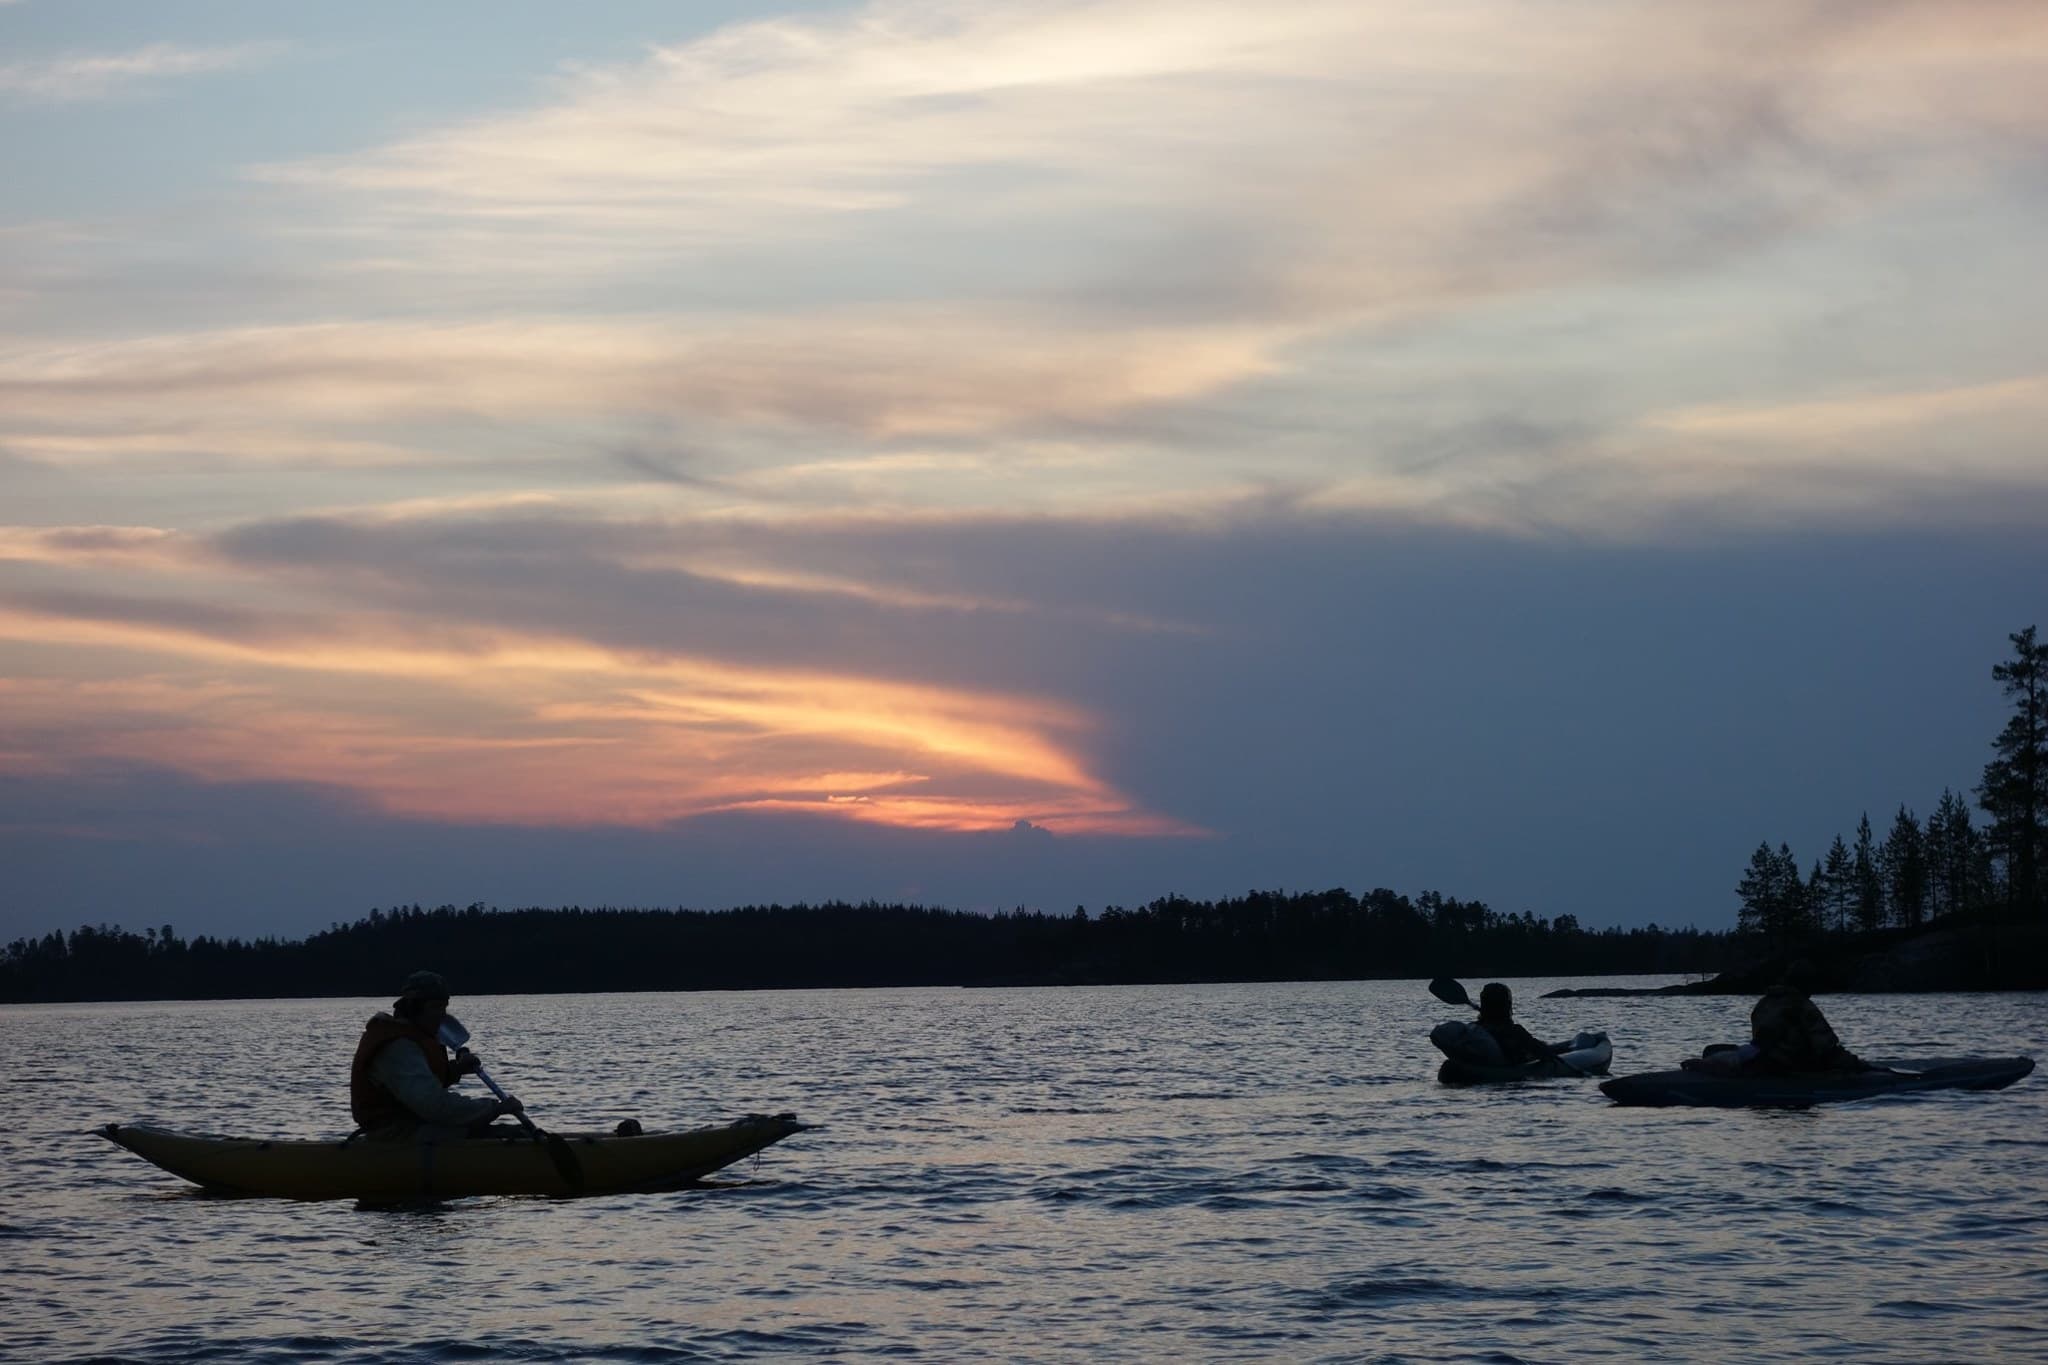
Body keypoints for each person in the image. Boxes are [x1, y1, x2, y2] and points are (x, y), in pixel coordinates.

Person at [348, 969, 524, 1141]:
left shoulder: (412, 1039)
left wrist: (456, 1069)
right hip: (395, 1134)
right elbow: (435, 1105)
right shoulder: (398, 1047)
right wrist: (495, 1109)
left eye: (444, 1007)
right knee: (499, 1135)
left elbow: (420, 1082)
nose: (442, 1015)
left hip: (417, 1125)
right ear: (413, 1008)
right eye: (435, 1007)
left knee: (510, 1132)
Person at [1747, 961, 1867, 1073]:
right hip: (1795, 1069)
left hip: (1765, 1064)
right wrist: (1858, 1065)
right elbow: (1827, 1048)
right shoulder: (1803, 1006)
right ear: (1807, 983)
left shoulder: (1763, 1003)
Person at [1474, 982, 1567, 1065]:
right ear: (1507, 1005)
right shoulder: (1515, 1032)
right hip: (1508, 1071)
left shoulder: (1473, 1029)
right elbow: (1541, 1051)